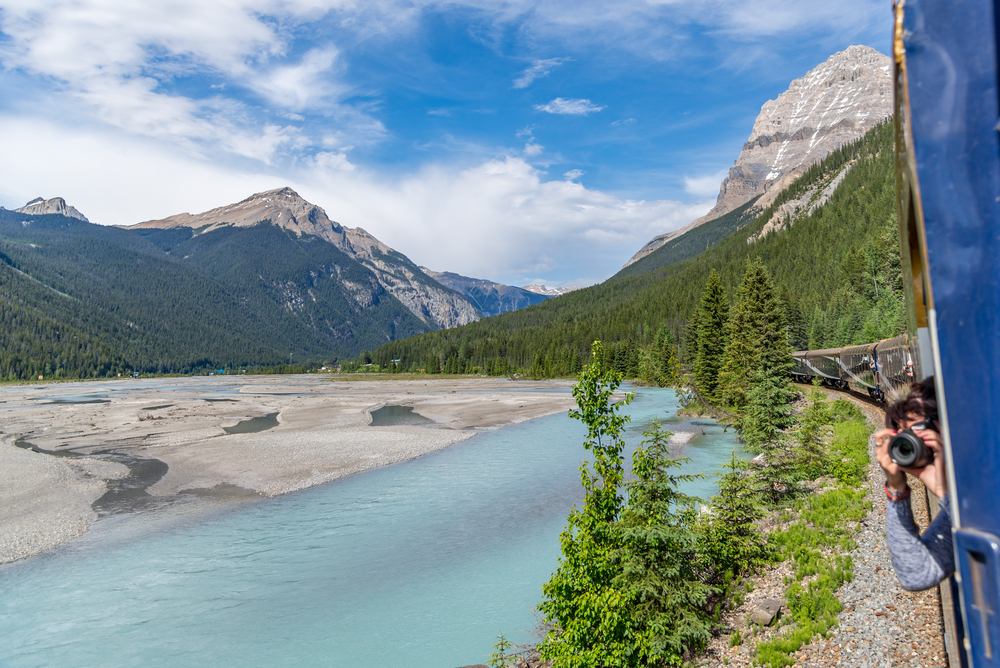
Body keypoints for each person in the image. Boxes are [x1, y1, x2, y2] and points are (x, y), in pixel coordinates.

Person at [873, 376, 954, 590]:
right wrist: (896, 487)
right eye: (907, 436)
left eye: (919, 431)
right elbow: (916, 575)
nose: (913, 444)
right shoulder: (961, 500)